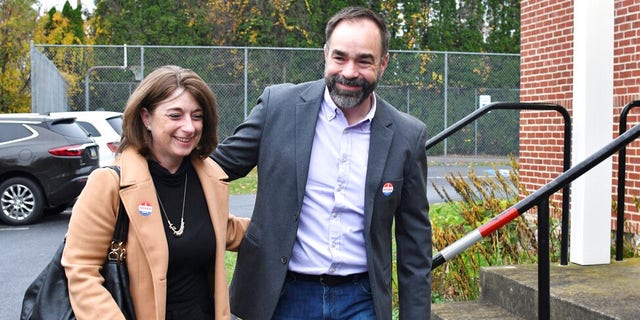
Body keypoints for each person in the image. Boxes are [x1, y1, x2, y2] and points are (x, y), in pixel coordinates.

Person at [212, 6, 432, 320]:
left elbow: (415, 244)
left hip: (362, 301)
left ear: (383, 63)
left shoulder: (407, 136)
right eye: (340, 57)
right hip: (281, 296)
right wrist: (144, 161)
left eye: (364, 60)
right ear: (325, 54)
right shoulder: (279, 108)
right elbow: (216, 167)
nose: (349, 71)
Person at [62, 65, 249, 320]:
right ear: (146, 118)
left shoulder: (208, 179)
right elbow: (81, 271)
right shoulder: (108, 184)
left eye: (197, 116)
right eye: (175, 115)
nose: (189, 127)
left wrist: (294, 225)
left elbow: (223, 230)